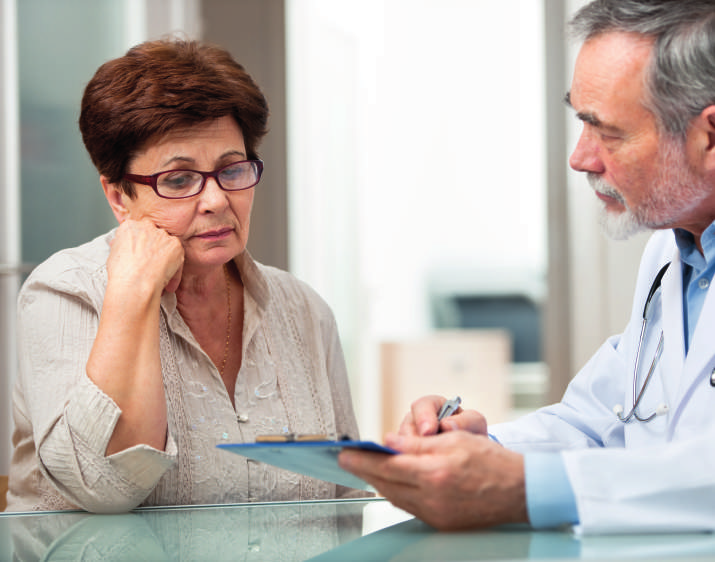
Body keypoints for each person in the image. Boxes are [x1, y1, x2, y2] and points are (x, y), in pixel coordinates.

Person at [339, 0, 715, 534]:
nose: (581, 157)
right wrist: (481, 448)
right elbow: (600, 420)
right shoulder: (672, 255)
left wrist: (522, 489)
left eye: (607, 131)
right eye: (581, 121)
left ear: (710, 137)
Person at [7, 38, 362, 513]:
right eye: (178, 180)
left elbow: (348, 498)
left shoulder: (303, 309)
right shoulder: (64, 292)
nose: (217, 199)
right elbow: (98, 487)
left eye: (232, 170)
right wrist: (133, 291)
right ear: (118, 198)